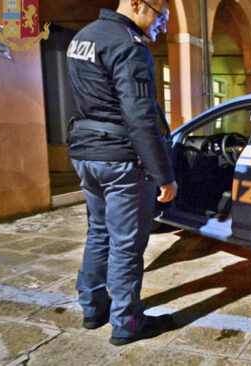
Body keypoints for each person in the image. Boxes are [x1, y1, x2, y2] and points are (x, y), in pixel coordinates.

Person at [66, 0, 178, 346]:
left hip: (86, 154)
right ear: (136, 4)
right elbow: (139, 115)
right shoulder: (128, 46)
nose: (161, 26)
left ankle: (92, 307)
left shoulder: (83, 37)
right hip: (120, 158)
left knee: (99, 232)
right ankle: (127, 323)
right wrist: (164, 175)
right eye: (160, 16)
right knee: (127, 245)